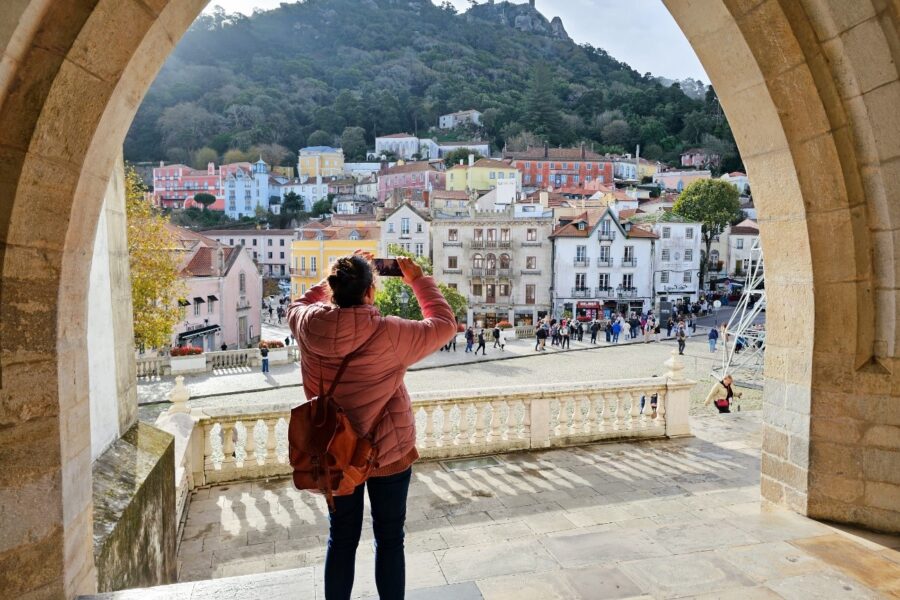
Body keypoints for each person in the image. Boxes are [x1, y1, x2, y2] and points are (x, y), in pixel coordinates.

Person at [288, 253, 456, 600]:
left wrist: (325, 282)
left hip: (334, 451)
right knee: (390, 538)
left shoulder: (306, 324)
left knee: (342, 538)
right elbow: (444, 323)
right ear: (370, 293)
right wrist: (418, 280)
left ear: (334, 289)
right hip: (387, 449)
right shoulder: (389, 333)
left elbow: (297, 305)